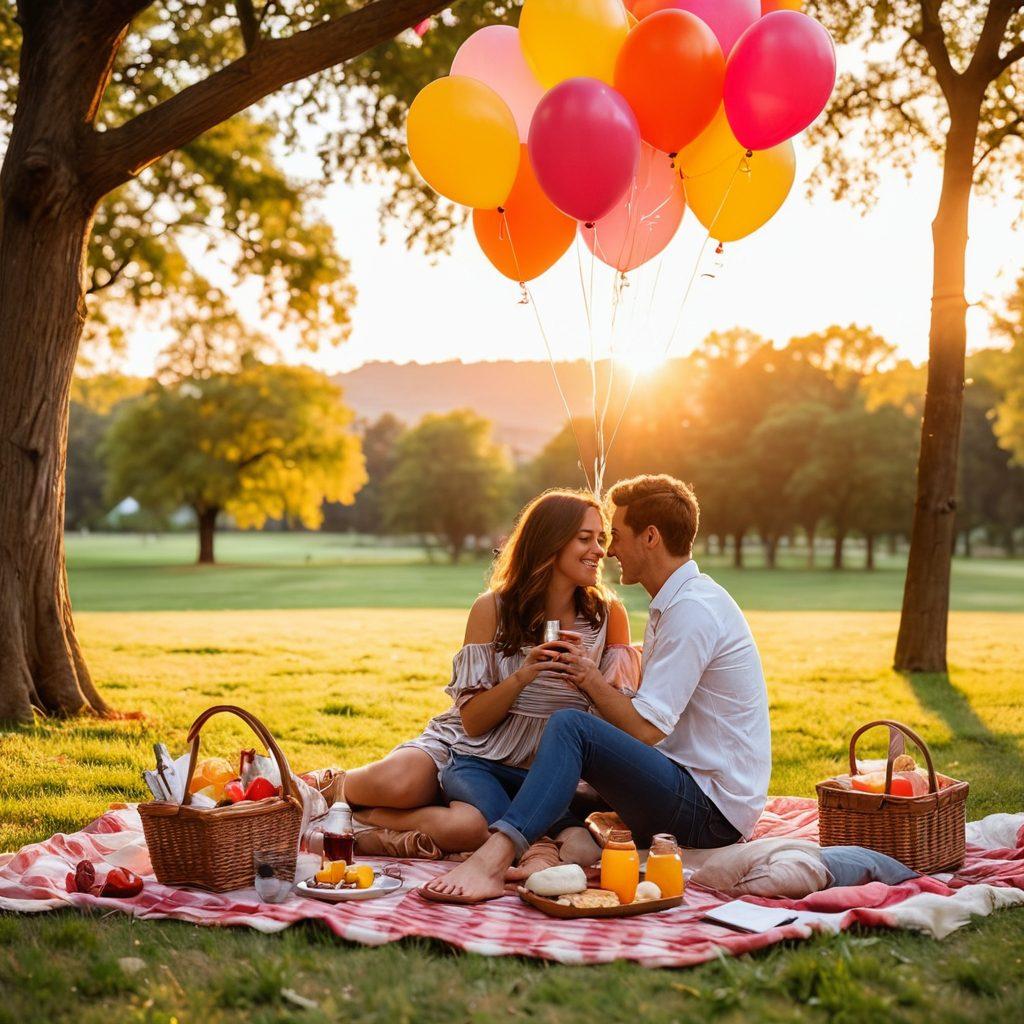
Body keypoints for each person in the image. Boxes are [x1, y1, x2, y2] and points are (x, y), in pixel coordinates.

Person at [423, 473, 771, 902]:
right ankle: (535, 841)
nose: (609, 550)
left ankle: (493, 859)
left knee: (571, 728)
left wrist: (588, 678)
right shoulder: (680, 604)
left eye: (617, 535)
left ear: (650, 537)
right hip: (684, 785)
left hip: (708, 811)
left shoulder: (692, 611)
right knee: (481, 768)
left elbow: (645, 731)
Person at [339, 489, 639, 858]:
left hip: (544, 764)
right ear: (551, 541)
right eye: (585, 539)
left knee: (469, 829)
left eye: (602, 539)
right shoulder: (492, 609)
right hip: (470, 748)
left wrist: (588, 677)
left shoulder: (609, 616)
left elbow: (620, 721)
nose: (601, 550)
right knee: (399, 783)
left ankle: (372, 819)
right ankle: (326, 789)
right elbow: (473, 722)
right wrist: (522, 676)